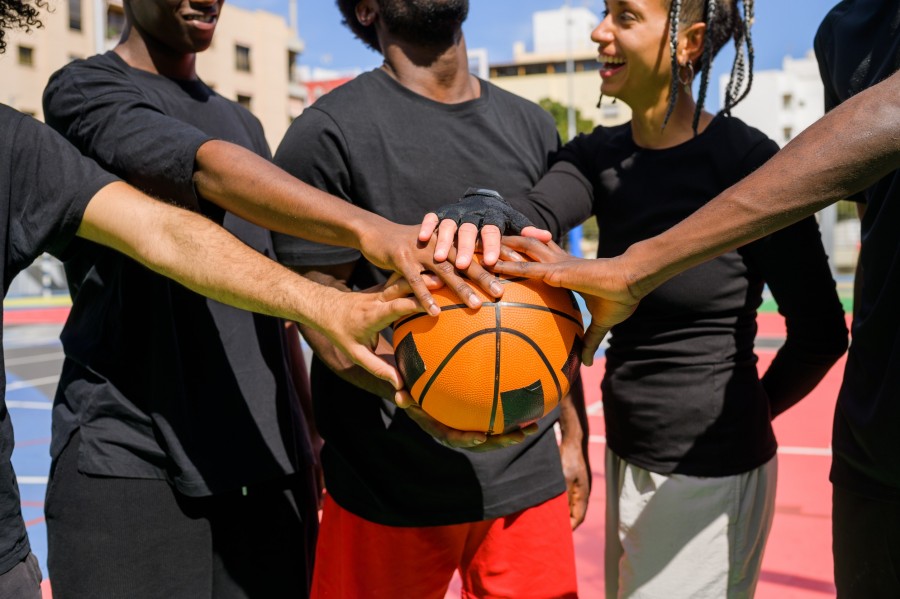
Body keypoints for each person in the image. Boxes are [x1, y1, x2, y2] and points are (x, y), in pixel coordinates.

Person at [38, 0, 501, 596]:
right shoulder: (83, 88)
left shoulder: (245, 126)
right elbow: (206, 170)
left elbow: (278, 313)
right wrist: (375, 229)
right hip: (131, 456)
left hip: (266, 464)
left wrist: (309, 434)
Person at [425, 1, 849, 596]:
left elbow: (822, 333)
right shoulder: (596, 158)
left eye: (625, 17)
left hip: (709, 469)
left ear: (689, 42)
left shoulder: (748, 163)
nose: (600, 31)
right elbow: (538, 209)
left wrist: (747, 415)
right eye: (604, 13)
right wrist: (482, 211)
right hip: (626, 450)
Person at [271, 1, 588, 597]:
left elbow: (557, 298)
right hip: (384, 479)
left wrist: (573, 436)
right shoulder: (326, 130)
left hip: (526, 475)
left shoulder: (533, 125)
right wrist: (413, 392)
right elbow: (317, 306)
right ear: (366, 9)